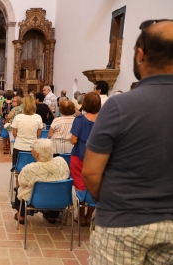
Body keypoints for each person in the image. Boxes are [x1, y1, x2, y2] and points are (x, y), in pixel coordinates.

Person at [83, 20, 173, 264]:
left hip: (122, 223)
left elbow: (90, 172)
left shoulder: (120, 105)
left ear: (140, 55)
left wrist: (116, 201)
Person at [14, 139, 73, 224]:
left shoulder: (30, 168)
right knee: (56, 186)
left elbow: (20, 183)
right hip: (58, 198)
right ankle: (52, 216)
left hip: (36, 199)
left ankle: (21, 215)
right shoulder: (61, 162)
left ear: (37, 154)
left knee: (21, 189)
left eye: (32, 147)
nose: (31, 149)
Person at [70, 92, 100, 226]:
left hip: (80, 155)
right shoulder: (104, 119)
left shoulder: (80, 119)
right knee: (94, 185)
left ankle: (81, 216)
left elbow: (73, 140)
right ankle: (89, 217)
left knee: (80, 186)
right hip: (97, 157)